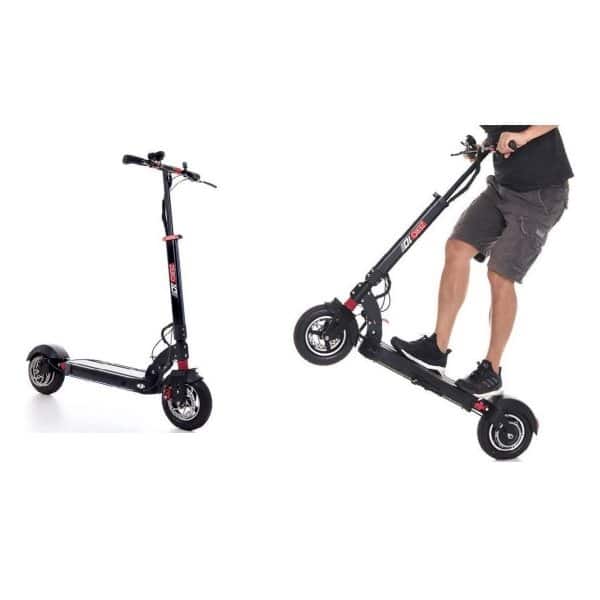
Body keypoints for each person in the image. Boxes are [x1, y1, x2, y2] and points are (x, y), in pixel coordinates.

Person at [391, 125, 573, 397]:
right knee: (457, 248)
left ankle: (492, 370)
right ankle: (436, 348)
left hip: (540, 194)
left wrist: (522, 137)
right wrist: (485, 145)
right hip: (503, 187)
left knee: (500, 275)